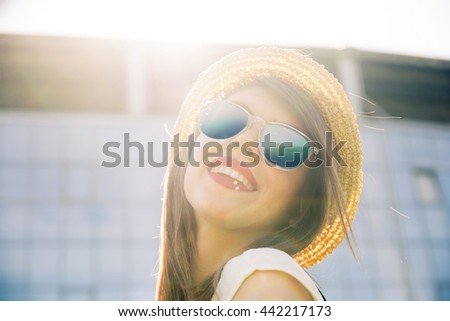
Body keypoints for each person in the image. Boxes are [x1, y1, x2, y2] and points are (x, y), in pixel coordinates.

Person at [156, 47, 363, 301]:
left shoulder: (264, 278)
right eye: (227, 118)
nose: (245, 143)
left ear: (300, 206)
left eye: (283, 145)